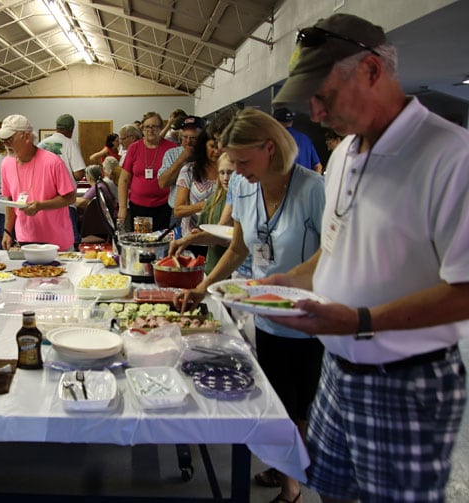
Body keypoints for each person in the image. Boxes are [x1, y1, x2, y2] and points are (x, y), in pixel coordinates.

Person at [265, 13, 469, 503]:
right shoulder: (344, 154)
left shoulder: (448, 156)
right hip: (337, 369)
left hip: (405, 383)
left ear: (373, 71)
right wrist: (289, 278)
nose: (314, 111)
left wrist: (360, 320)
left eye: (325, 94)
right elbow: (336, 244)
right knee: (331, 491)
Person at [175, 107, 326, 503]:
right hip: (265, 315)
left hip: (309, 318)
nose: (237, 170)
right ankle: (288, 474)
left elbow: (334, 251)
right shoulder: (243, 186)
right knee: (278, 399)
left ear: (271, 148)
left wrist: (290, 281)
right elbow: (240, 247)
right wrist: (205, 287)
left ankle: (296, 478)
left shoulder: (313, 189)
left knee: (302, 404)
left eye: (244, 161)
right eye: (233, 162)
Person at [0, 114, 76, 251]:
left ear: (26, 137)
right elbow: (9, 199)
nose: (5, 144)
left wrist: (40, 205)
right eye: (3, 140)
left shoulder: (52, 162)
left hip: (57, 242)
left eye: (9, 139)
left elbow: (70, 197)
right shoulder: (6, 164)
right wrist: (7, 231)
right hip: (25, 240)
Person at [117, 112, 175, 232]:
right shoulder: (134, 148)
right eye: (147, 127)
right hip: (138, 206)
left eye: (155, 126)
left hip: (163, 206)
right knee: (141, 241)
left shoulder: (171, 148)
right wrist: (122, 207)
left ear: (160, 128)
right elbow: (124, 180)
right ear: (142, 129)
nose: (150, 130)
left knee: (160, 241)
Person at [38, 113, 86, 249]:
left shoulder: (41, 145)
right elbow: (78, 174)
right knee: (68, 243)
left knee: (45, 243)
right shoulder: (70, 144)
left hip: (43, 201)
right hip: (65, 200)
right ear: (71, 129)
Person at [158, 116, 207, 232]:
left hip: (204, 213)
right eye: (185, 137)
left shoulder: (208, 155)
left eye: (193, 138)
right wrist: (181, 159)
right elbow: (163, 183)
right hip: (178, 214)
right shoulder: (172, 154)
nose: (188, 141)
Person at [272, 107, 323, 174]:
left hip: (286, 183)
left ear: (275, 122)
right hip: (306, 182)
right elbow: (318, 166)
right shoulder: (305, 139)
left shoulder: (276, 140)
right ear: (291, 122)